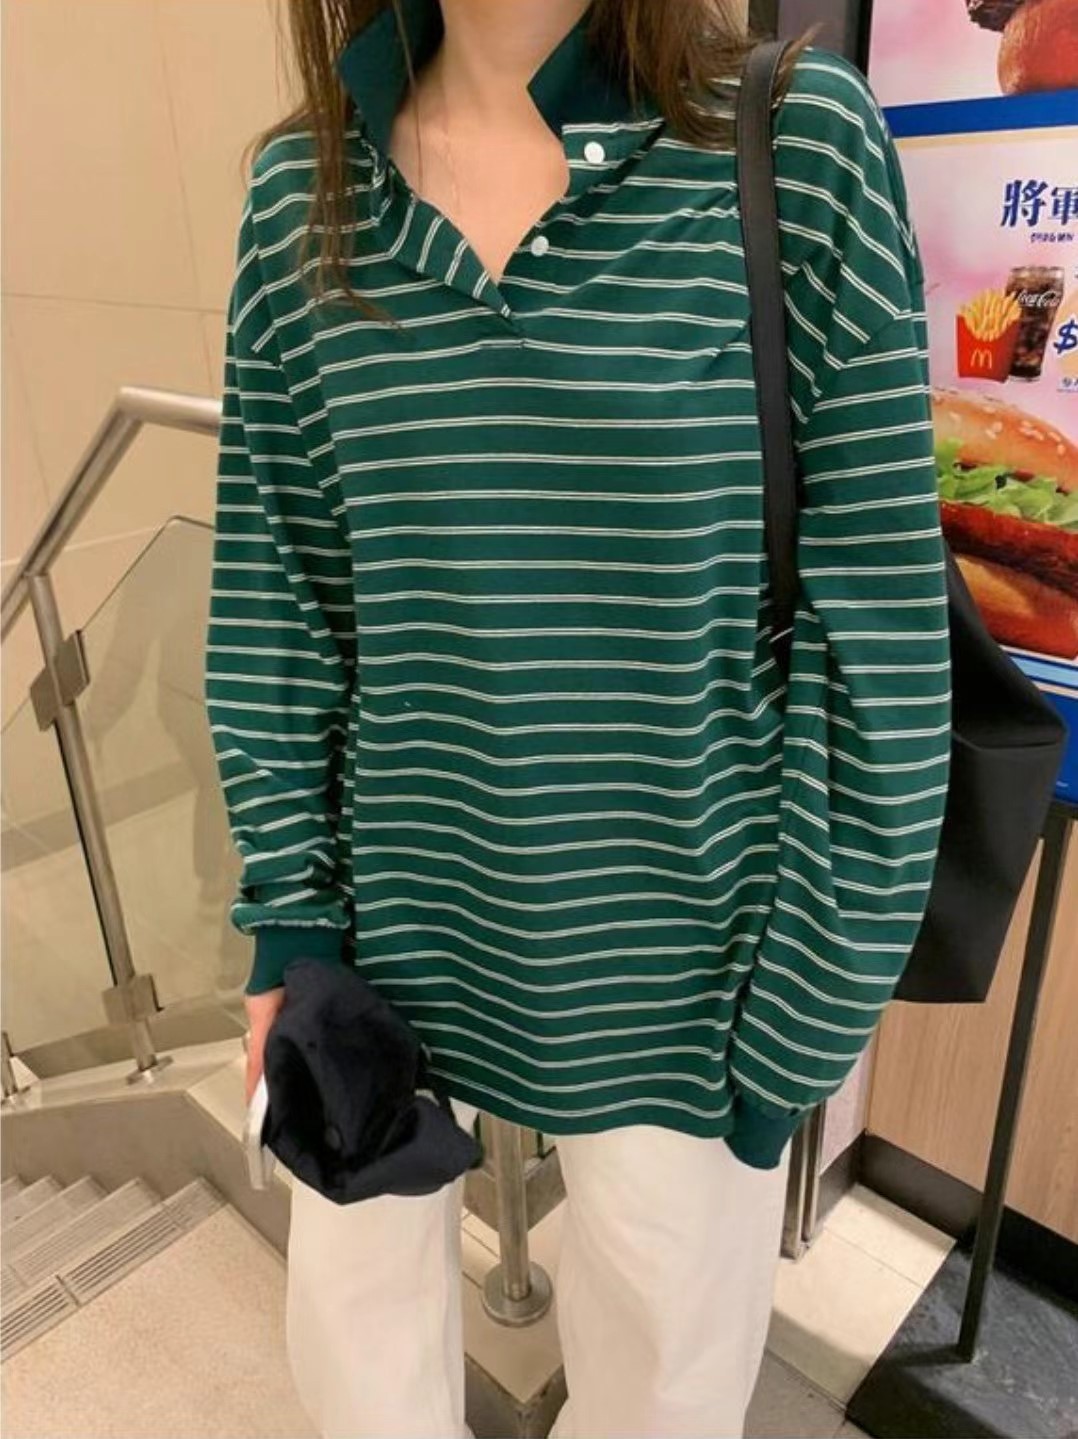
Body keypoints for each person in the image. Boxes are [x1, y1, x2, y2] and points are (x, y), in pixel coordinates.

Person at [202, 1, 951, 1434]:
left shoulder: (790, 149)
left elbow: (878, 644)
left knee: (662, 1403)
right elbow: (282, 596)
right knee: (360, 1384)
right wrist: (291, 919)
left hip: (693, 977)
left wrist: (799, 1016)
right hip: (383, 950)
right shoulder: (306, 195)